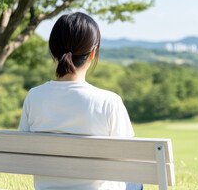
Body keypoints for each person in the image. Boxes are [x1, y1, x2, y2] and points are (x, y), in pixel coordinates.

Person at [18, 12, 143, 190]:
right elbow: (127, 160)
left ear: (53, 50)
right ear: (92, 53)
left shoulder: (33, 96)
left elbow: (25, 150)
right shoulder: (109, 101)